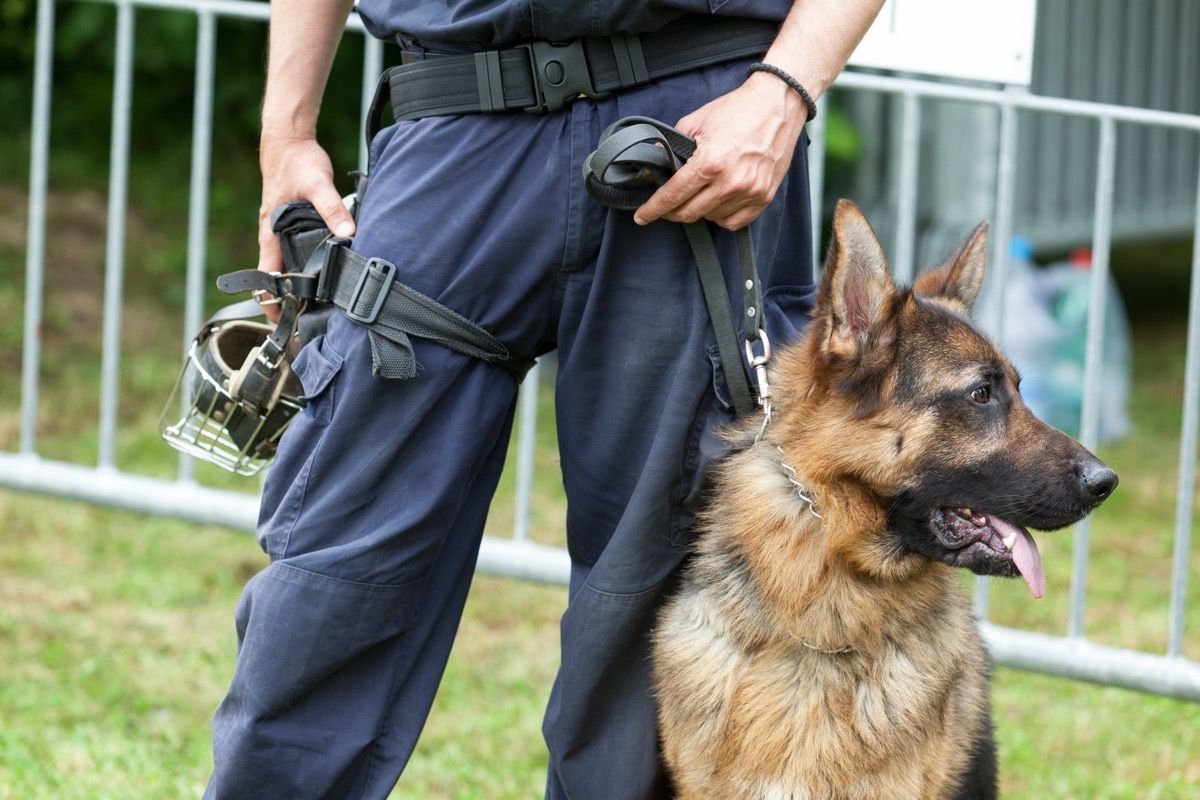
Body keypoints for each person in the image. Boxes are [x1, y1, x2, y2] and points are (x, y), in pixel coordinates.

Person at [205, 1, 884, 797]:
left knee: (662, 596)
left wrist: (786, 87)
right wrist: (285, 135)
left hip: (697, 125)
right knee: (333, 572)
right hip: (453, 114)